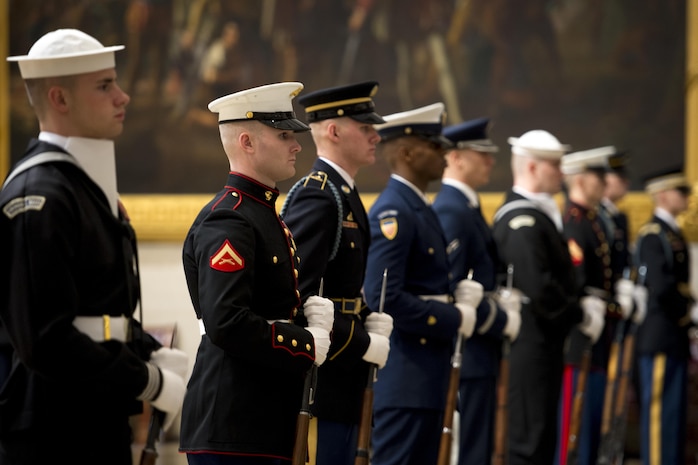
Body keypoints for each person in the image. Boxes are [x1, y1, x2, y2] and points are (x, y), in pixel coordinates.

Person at [0, 29, 188, 465]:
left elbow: (100, 312)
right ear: (60, 99)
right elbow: (45, 337)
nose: (123, 97)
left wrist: (147, 347)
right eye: (104, 86)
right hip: (52, 431)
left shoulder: (78, 186)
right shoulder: (40, 194)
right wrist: (145, 379)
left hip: (93, 413)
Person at [178, 82, 336, 465]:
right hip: (235, 423)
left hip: (260, 418)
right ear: (246, 142)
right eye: (284, 136)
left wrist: (305, 319)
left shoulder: (260, 213)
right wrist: (304, 342)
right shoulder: (230, 219)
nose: (297, 145)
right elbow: (227, 322)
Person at [363, 103, 484, 465]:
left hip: (427, 375)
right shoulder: (396, 211)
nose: (445, 153)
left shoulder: (419, 207)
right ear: (406, 153)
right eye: (434, 145)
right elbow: (382, 295)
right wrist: (451, 317)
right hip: (405, 377)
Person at [280, 81, 394, 465]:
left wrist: (366, 319)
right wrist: (360, 341)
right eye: (365, 128)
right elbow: (299, 296)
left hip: (344, 374)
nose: (376, 136)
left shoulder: (342, 193)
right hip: (325, 378)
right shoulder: (319, 195)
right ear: (333, 131)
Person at [490, 130, 606, 465]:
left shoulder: (539, 213)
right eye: (554, 165)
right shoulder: (521, 218)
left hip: (544, 342)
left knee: (542, 439)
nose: (562, 172)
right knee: (528, 441)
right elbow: (538, 286)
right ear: (531, 167)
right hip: (530, 345)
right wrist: (579, 313)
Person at [432, 117, 522, 465]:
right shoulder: (452, 210)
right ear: (454, 158)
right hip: (465, 352)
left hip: (477, 353)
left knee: (477, 448)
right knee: (466, 450)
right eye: (480, 153)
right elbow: (452, 289)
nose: (490, 161)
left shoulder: (465, 207)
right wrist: (499, 318)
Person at [556, 146, 634, 465]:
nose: (604, 181)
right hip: (580, 337)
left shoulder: (593, 220)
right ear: (578, 178)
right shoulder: (575, 222)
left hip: (598, 334)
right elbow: (576, 284)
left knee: (591, 420)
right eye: (597, 175)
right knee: (575, 426)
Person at [633, 168, 696, 465]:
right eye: (679, 192)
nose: (685, 197)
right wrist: (686, 309)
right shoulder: (653, 234)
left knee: (674, 415)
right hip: (660, 334)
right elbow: (661, 286)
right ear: (662, 195)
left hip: (674, 335)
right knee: (660, 414)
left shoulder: (672, 233)